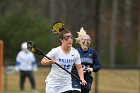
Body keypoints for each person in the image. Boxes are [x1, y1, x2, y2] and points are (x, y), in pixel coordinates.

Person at [41, 22, 87, 93]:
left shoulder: (75, 53)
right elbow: (43, 61)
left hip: (66, 84)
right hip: (53, 83)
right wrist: (49, 62)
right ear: (61, 40)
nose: (70, 39)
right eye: (66, 38)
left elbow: (79, 68)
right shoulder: (55, 51)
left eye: (71, 37)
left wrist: (82, 78)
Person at [72, 27, 101, 93]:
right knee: (76, 91)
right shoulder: (75, 52)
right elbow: (70, 64)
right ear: (80, 42)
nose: (86, 43)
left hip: (87, 78)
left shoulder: (93, 52)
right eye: (84, 41)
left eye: (88, 41)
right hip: (76, 77)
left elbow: (98, 65)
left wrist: (92, 69)